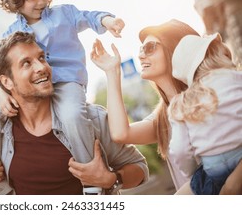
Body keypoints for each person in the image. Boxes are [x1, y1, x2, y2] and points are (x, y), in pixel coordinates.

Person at [0, 0, 125, 194]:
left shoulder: (64, 14)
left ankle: (91, 178)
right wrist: (1, 92)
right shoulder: (11, 33)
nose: (41, 2)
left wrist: (107, 20)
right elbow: (3, 68)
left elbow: (87, 17)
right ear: (16, 0)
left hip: (66, 82)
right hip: (29, 89)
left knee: (71, 115)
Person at [0, 31, 148, 195]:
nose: (41, 67)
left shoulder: (89, 119)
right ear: (7, 82)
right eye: (27, 63)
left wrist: (110, 179)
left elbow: (139, 168)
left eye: (42, 58)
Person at [89, 19, 242, 194]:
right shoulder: (164, 116)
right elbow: (120, 133)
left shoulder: (215, 94)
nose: (141, 55)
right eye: (141, 49)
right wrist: (111, 71)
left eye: (150, 48)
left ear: (176, 51)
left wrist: (234, 182)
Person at [167, 33, 242, 194]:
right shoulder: (236, 79)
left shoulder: (181, 102)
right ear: (217, 54)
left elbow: (180, 150)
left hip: (213, 167)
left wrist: (193, 173)